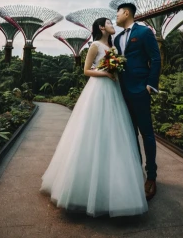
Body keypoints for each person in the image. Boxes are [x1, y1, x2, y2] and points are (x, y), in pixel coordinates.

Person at [40, 17, 148, 217]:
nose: (112, 25)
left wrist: (114, 70)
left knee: (115, 132)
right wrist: (106, 73)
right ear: (101, 27)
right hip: (98, 90)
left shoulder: (114, 46)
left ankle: (117, 187)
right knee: (92, 129)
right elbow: (86, 70)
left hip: (114, 90)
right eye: (108, 22)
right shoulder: (95, 46)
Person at [114, 3, 161, 201]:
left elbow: (155, 58)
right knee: (130, 134)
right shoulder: (116, 38)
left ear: (126, 13)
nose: (115, 17)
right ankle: (135, 173)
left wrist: (151, 84)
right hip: (122, 91)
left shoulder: (144, 32)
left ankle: (151, 176)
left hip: (141, 89)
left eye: (117, 13)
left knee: (146, 133)